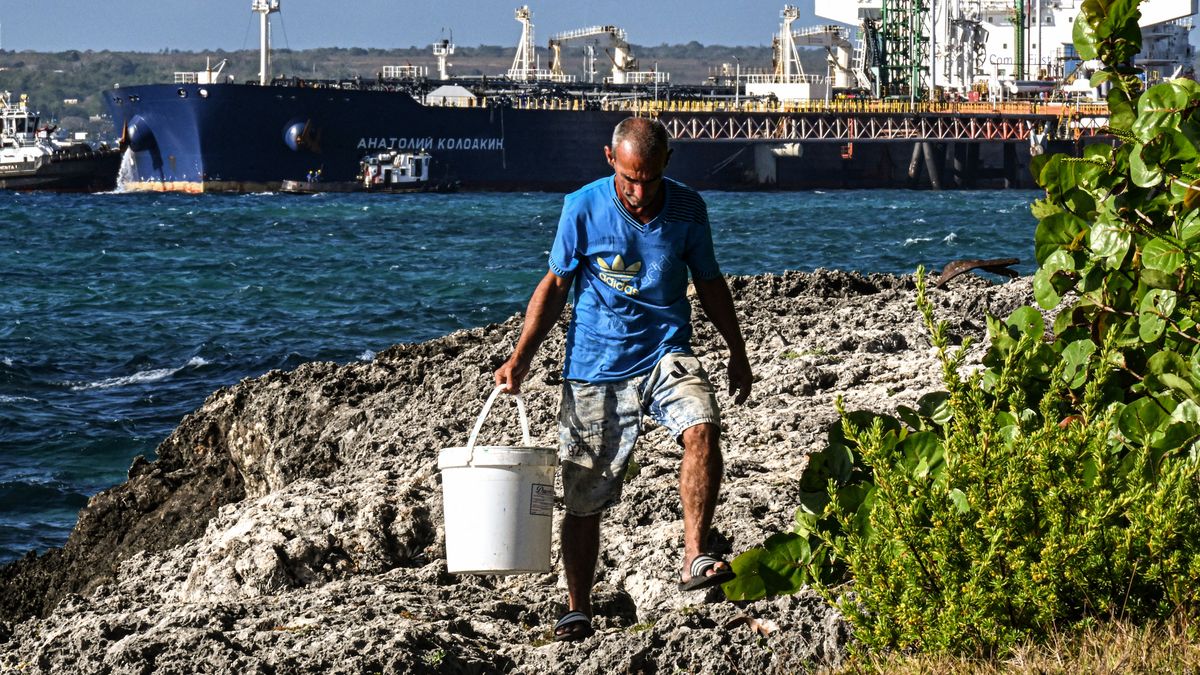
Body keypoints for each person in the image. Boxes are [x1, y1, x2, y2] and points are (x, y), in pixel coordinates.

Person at [493, 117, 752, 642]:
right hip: (595, 367)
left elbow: (709, 281)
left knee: (702, 424)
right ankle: (576, 607)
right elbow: (555, 286)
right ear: (610, 159)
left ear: (666, 166)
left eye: (649, 180)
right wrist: (521, 357)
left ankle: (695, 556)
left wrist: (736, 350)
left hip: (666, 353)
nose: (638, 192)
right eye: (629, 179)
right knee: (584, 497)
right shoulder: (581, 207)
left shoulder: (687, 209)